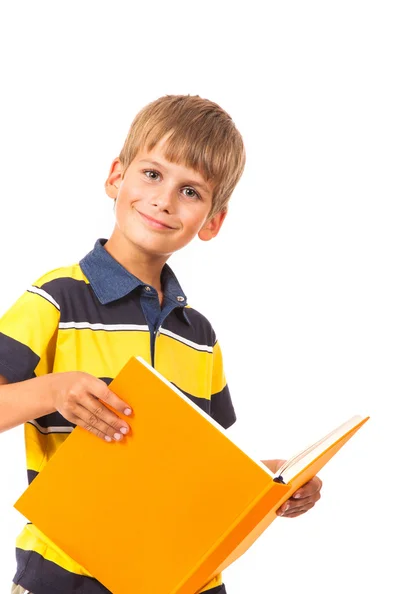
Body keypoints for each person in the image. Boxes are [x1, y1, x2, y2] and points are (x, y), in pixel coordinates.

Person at [0, 94, 322, 594]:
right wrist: (51, 392)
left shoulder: (200, 336)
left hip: (177, 577)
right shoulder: (56, 299)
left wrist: (272, 482)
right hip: (66, 575)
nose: (164, 200)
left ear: (212, 221)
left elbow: (201, 469)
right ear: (116, 176)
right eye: (152, 174)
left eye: (190, 190)